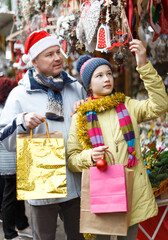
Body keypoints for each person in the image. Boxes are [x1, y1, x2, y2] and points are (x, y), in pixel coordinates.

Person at [67, 39, 168, 240]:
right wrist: (90, 156)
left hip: (133, 192)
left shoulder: (128, 105)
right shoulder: (81, 116)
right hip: (102, 194)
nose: (107, 79)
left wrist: (143, 65)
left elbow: (159, 105)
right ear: (88, 84)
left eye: (108, 73)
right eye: (99, 76)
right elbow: (72, 159)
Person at [0, 30, 86, 240]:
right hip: (42, 184)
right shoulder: (20, 95)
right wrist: (22, 122)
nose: (57, 58)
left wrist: (87, 110)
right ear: (35, 62)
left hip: (77, 181)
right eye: (49, 54)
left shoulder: (74, 87)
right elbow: (5, 140)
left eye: (58, 52)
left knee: (81, 237)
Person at [0, 77, 32, 240]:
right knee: (11, 198)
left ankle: (21, 224)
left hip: (7, 162)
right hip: (10, 161)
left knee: (15, 196)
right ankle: (10, 233)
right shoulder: (6, 111)